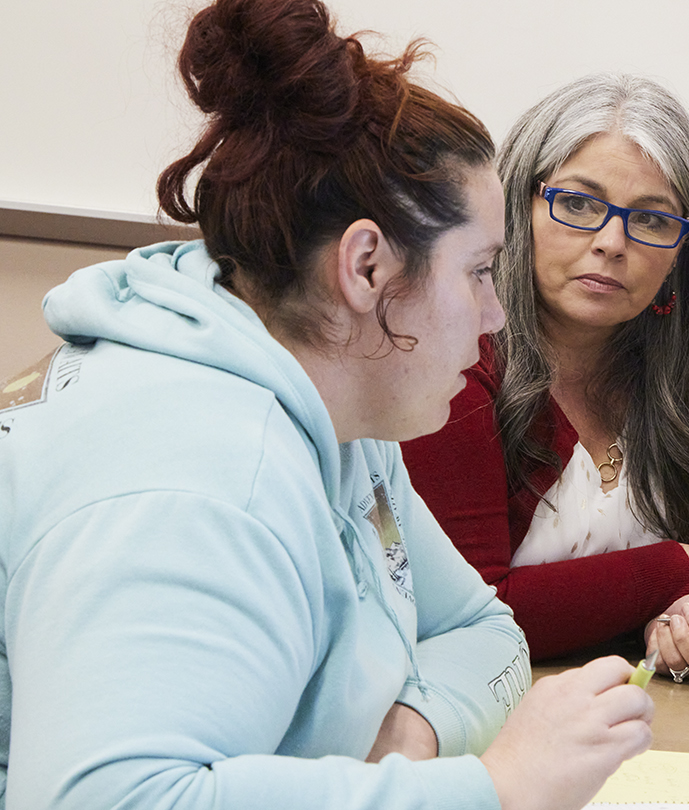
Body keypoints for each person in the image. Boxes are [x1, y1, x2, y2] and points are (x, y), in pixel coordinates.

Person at [0, 2, 651, 809]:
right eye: (480, 272)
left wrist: (411, 736)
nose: (496, 316)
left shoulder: (345, 413)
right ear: (367, 267)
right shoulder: (199, 483)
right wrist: (495, 790)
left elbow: (484, 633)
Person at [402, 74, 689, 681]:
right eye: (580, 203)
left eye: (652, 219)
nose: (612, 243)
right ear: (518, 207)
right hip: (485, 727)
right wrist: (674, 574)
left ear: (681, 251)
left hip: (625, 715)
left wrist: (681, 618)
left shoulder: (663, 373)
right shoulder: (460, 368)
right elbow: (476, 610)